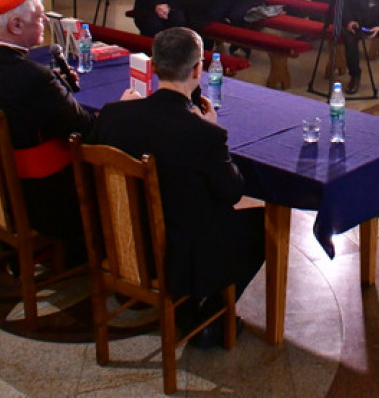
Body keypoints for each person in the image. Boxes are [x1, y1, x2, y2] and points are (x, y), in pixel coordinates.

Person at [91, 27, 265, 343]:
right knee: (260, 226)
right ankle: (209, 316)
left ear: (154, 67)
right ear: (198, 69)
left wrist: (120, 106)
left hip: (122, 240)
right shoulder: (204, 134)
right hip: (178, 256)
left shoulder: (113, 115)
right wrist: (214, 130)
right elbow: (231, 191)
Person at [0, 0, 97, 265]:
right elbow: (84, 128)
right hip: (41, 200)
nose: (46, 21)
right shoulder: (34, 77)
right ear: (16, 25)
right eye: (40, 16)